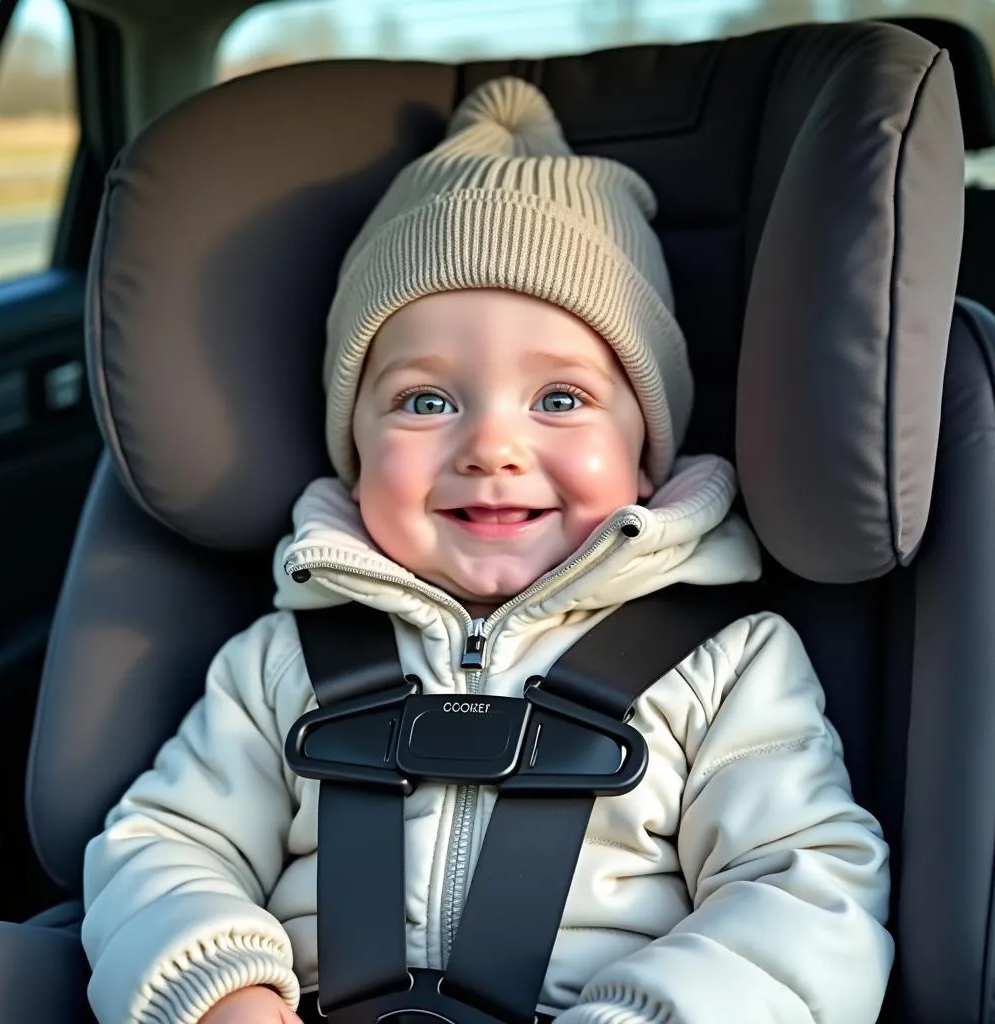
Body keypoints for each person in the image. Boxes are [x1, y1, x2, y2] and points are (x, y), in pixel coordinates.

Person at [81, 76, 893, 1024]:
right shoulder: (279, 662)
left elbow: (806, 888)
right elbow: (168, 841)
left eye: (560, 399)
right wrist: (215, 987)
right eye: (426, 401)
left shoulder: (726, 663)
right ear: (353, 447)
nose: (490, 446)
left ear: (644, 448)